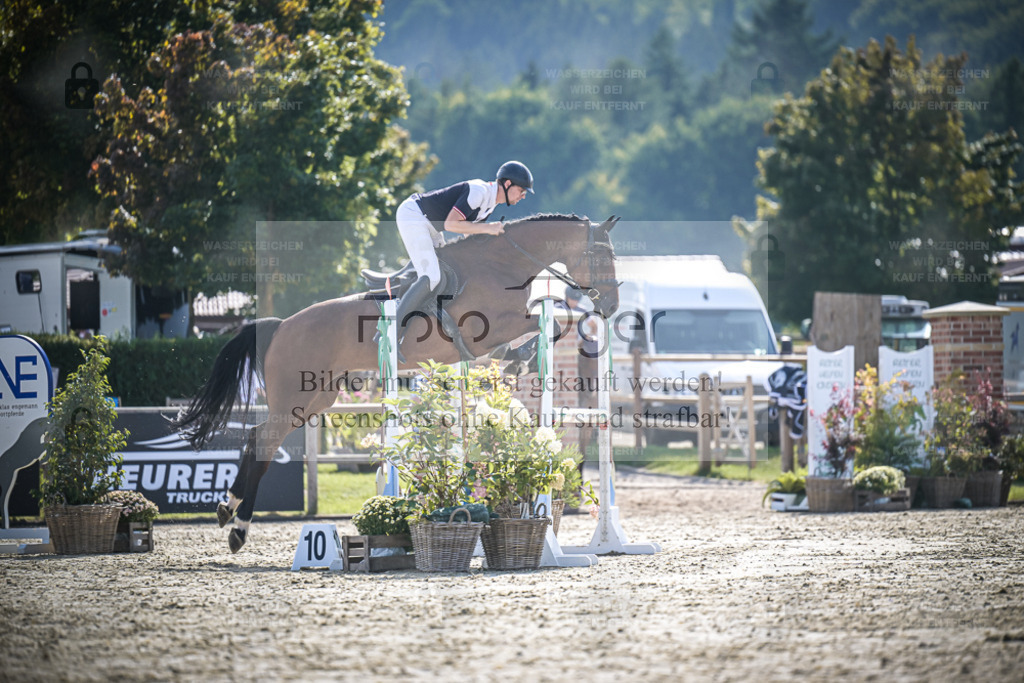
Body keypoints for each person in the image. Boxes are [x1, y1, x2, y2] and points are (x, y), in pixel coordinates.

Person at [394, 161, 534, 353]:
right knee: (432, 276)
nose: (523, 196)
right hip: (414, 215)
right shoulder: (479, 192)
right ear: (507, 184)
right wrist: (488, 228)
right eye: (521, 190)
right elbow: (451, 225)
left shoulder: (490, 205)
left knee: (447, 272)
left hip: (431, 225)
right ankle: (391, 331)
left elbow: (469, 235)